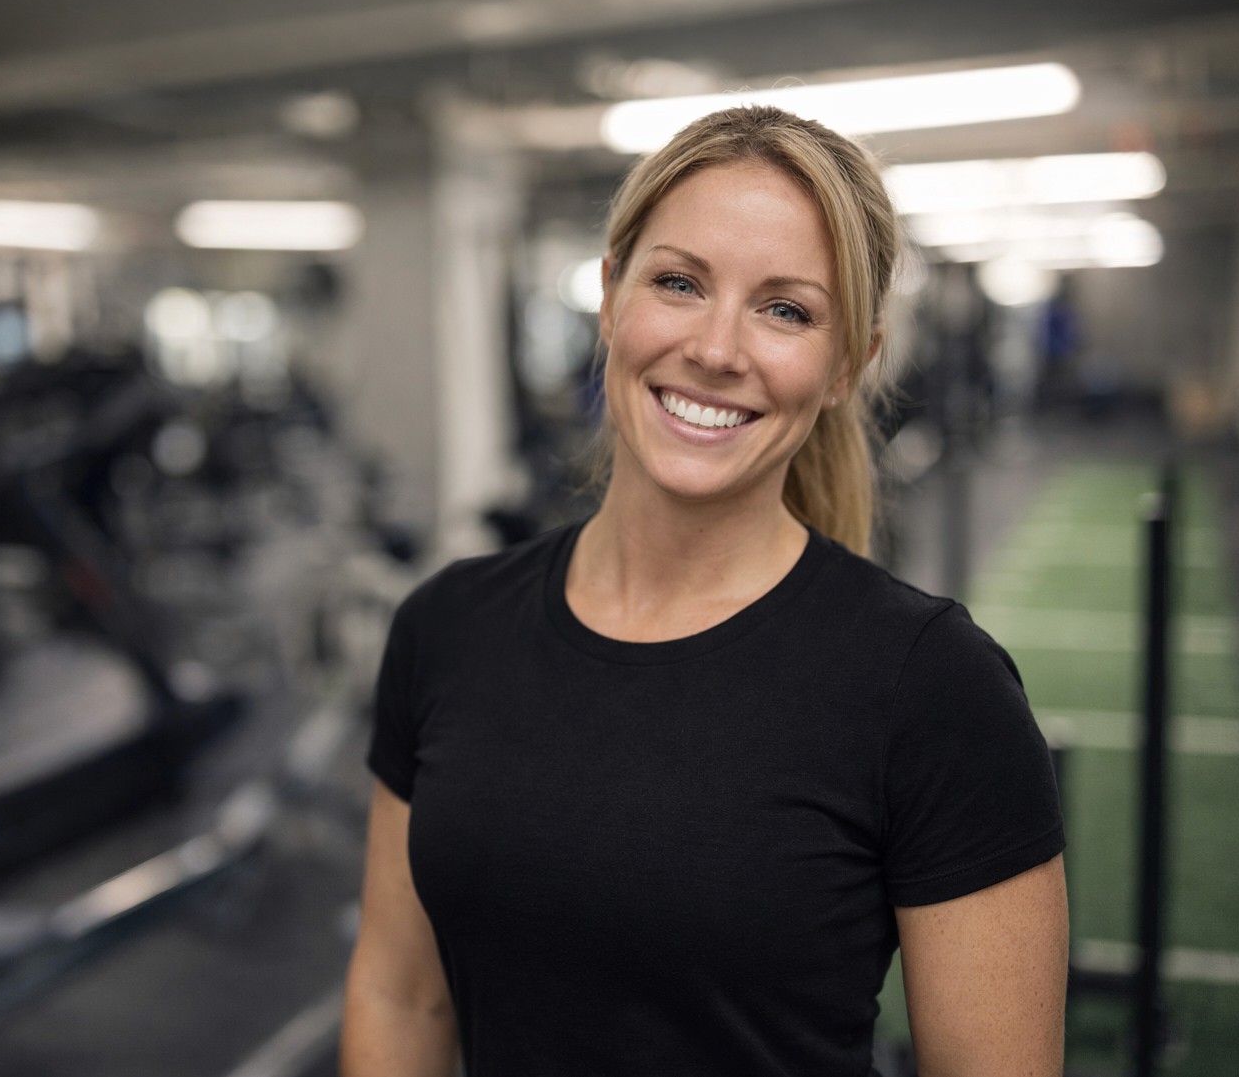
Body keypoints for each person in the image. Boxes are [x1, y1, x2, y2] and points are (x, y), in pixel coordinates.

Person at [340, 105, 1068, 1077]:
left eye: (786, 309)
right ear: (610, 298)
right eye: (679, 282)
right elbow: (399, 992)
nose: (718, 348)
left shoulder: (930, 686)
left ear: (849, 362)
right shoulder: (448, 625)